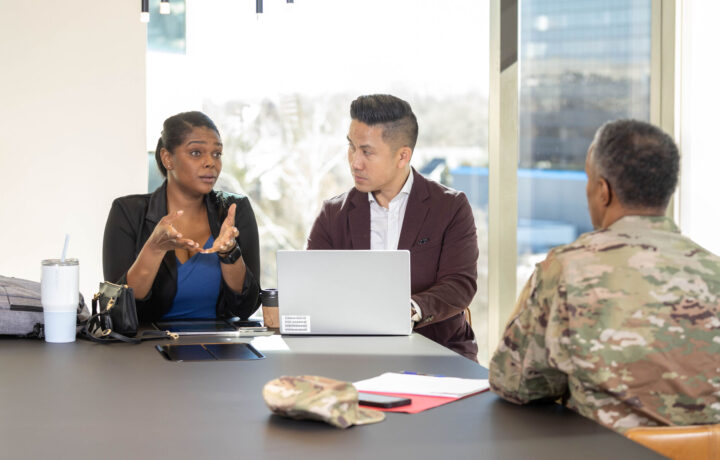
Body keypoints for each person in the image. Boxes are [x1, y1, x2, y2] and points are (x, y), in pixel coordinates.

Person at [489, 119, 720, 433]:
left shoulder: (569, 267)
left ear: (603, 191)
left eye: (588, 179)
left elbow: (514, 383)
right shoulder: (714, 270)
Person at [307, 94, 479, 361]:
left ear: (402, 156)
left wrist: (409, 309)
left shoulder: (450, 207)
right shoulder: (334, 214)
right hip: (353, 354)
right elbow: (313, 286)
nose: (355, 162)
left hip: (438, 352)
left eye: (367, 151)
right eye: (351, 147)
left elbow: (459, 285)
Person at [103, 111, 260, 322]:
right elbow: (118, 312)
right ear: (168, 158)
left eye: (217, 154)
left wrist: (230, 253)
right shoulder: (127, 212)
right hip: (148, 348)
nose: (210, 163)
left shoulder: (234, 210)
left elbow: (246, 308)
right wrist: (154, 249)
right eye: (196, 153)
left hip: (222, 346)